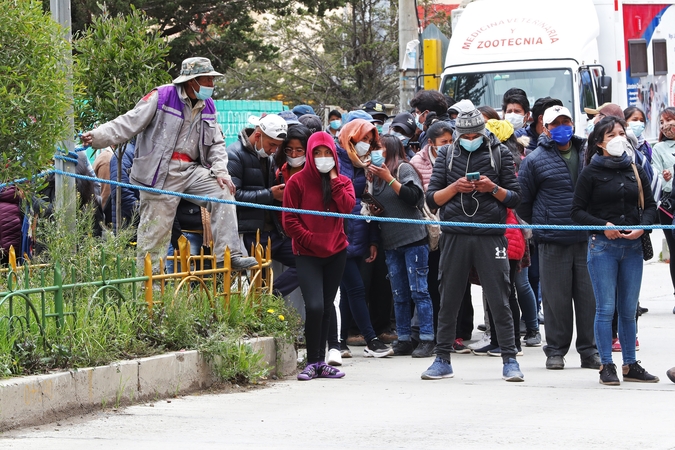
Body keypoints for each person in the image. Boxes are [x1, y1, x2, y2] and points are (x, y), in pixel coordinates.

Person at [81, 57, 257, 272]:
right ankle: (148, 293)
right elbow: (129, 122)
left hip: (191, 170)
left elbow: (217, 144)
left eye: (212, 79)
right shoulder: (162, 96)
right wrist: (97, 136)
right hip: (159, 174)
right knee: (154, 237)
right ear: (191, 81)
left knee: (223, 191)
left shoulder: (208, 105)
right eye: (207, 79)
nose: (211, 84)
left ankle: (227, 256)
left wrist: (221, 172)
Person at [422, 105, 524, 382]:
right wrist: (455, 187)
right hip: (454, 234)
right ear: (457, 135)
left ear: (483, 132)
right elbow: (431, 199)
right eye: (464, 136)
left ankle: (510, 359)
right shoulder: (446, 153)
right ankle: (442, 358)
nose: (470, 140)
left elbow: (515, 198)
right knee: (449, 297)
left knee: (500, 297)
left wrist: (492, 188)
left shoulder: (500, 153)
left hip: (491, 234)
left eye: (474, 135)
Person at [571, 116, 659, 385]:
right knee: (606, 308)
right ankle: (606, 365)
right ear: (599, 143)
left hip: (632, 247)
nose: (618, 138)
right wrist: (602, 226)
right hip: (603, 248)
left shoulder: (635, 168)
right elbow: (576, 212)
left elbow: (652, 206)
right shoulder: (590, 172)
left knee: (629, 308)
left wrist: (642, 228)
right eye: (610, 135)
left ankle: (630, 364)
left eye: (621, 132)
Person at [517, 105, 601, 370]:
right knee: (555, 300)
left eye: (566, 121)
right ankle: (555, 350)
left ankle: (589, 351)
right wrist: (544, 224)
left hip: (587, 237)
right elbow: (523, 202)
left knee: (589, 299)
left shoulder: (589, 152)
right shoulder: (534, 159)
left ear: (572, 124)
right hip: (552, 240)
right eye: (556, 123)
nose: (562, 127)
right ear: (546, 128)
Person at [283, 131, 356, 380]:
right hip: (307, 253)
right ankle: (310, 361)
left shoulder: (343, 182)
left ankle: (320, 361)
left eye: (327, 153)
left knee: (326, 306)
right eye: (317, 153)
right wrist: (311, 239)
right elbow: (289, 221)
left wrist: (334, 179)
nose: (323, 158)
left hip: (336, 252)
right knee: (313, 306)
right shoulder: (297, 182)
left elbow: (347, 207)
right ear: (310, 154)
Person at [328, 118, 393, 360]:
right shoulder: (334, 158)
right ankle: (371, 340)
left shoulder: (364, 165)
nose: (366, 144)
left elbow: (366, 200)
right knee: (355, 288)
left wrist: (373, 239)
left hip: (360, 233)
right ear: (350, 136)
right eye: (362, 138)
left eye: (370, 140)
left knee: (349, 291)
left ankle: (340, 341)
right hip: (338, 233)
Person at [369, 135, 435, 358]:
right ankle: (404, 338)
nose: (375, 151)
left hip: (414, 240)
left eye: (378, 147)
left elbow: (414, 197)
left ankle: (427, 338)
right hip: (390, 242)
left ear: (391, 148)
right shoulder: (374, 175)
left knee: (419, 291)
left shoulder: (403, 169)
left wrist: (389, 178)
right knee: (399, 294)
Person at [410, 121, 474, 353]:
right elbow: (426, 196)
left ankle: (460, 332)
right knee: (435, 284)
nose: (447, 146)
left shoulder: (460, 158)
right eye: (443, 142)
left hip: (456, 225)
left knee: (460, 284)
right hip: (431, 231)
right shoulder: (417, 163)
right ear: (431, 143)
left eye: (450, 141)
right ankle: (438, 333)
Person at [227, 113, 299, 297]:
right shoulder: (234, 154)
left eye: (277, 146)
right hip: (248, 234)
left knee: (305, 260)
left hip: (273, 232)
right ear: (258, 135)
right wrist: (270, 195)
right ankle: (264, 302)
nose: (274, 150)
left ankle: (271, 297)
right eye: (272, 145)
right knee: (258, 281)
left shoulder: (268, 157)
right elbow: (231, 197)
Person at [651, 107, 675, 313]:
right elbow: (658, 179)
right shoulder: (659, 148)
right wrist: (667, 178)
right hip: (670, 208)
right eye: (662, 122)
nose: (666, 126)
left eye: (670, 120)